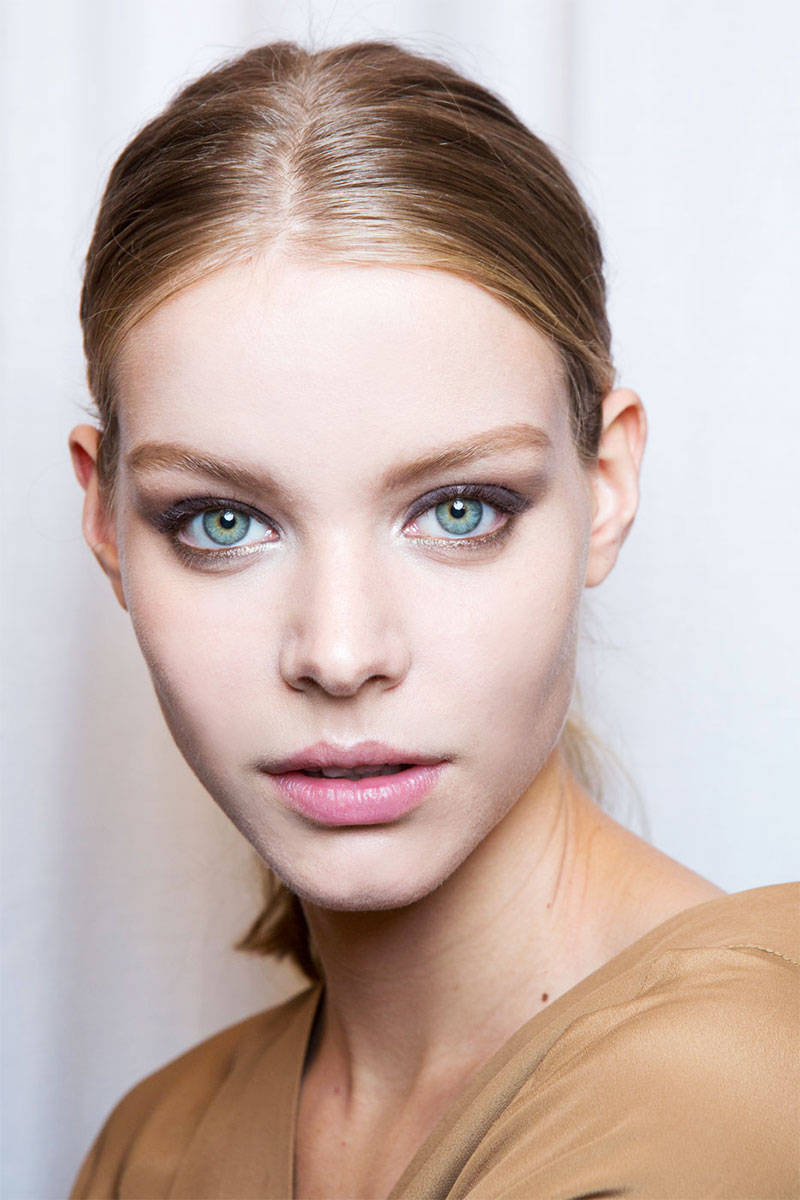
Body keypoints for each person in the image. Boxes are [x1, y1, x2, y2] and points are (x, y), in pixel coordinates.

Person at [67, 38, 797, 1200]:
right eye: (221, 521)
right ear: (105, 520)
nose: (339, 653)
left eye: (459, 509)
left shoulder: (723, 1092)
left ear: (605, 487)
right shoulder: (154, 1142)